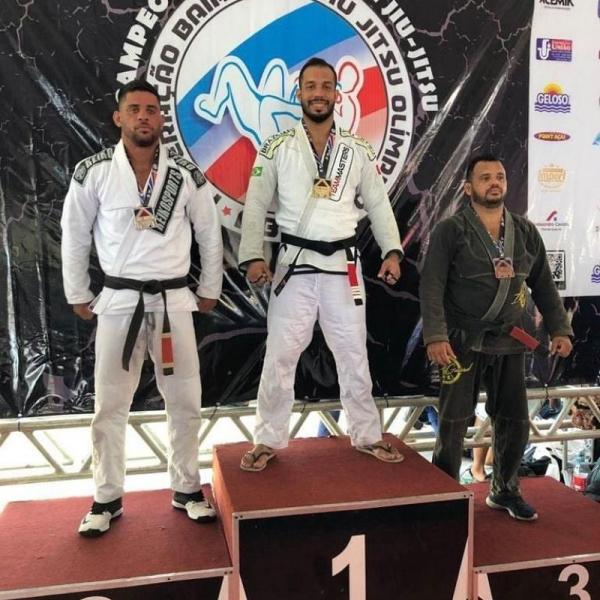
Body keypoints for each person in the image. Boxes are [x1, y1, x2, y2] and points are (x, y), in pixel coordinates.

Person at [61, 79, 223, 536]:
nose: (143, 117)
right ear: (119, 117)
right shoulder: (93, 172)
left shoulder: (185, 174)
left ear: (161, 118)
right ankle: (106, 497)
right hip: (119, 302)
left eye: (151, 109)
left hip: (173, 300)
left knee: (185, 398)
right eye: (134, 109)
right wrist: (77, 291)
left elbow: (209, 233)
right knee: (110, 402)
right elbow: (74, 233)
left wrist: (209, 286)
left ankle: (187, 488)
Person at [238, 57, 404, 471]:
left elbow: (379, 204)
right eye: (311, 86)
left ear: (336, 93)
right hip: (293, 265)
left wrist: (392, 251)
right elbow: (256, 204)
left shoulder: (357, 149)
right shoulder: (276, 147)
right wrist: (254, 256)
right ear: (299, 93)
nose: (318, 93)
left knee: (353, 353)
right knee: (280, 354)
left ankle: (367, 434)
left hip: (342, 267)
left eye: (326, 86)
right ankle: (267, 439)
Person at [420, 154, 573, 521]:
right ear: (467, 187)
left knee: (515, 421)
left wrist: (560, 328)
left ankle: (504, 489)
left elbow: (543, 284)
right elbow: (432, 285)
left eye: (500, 177)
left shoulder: (525, 231)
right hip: (462, 341)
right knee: (454, 420)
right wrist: (436, 335)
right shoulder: (451, 230)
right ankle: (443, 495)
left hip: (510, 340)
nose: (494, 183)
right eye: (485, 177)